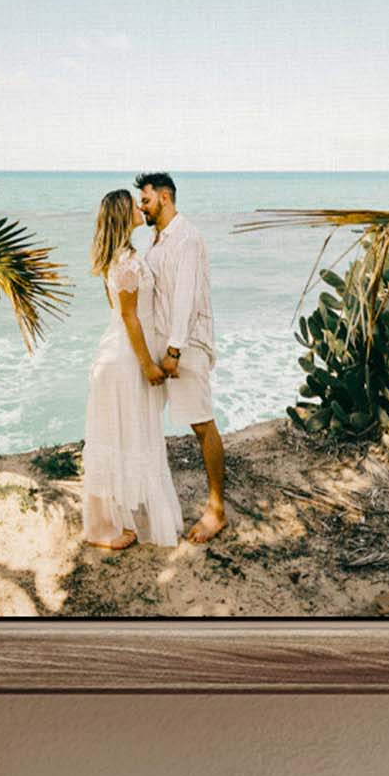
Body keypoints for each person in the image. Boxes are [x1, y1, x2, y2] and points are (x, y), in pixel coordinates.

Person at [79, 188, 183, 550]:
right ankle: (103, 529)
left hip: (120, 355)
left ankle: (114, 520)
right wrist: (148, 364)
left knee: (122, 437)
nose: (141, 208)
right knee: (114, 439)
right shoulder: (124, 262)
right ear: (124, 216)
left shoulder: (123, 257)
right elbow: (129, 317)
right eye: (134, 205)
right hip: (122, 361)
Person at [134, 171, 227, 544]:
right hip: (162, 348)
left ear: (165, 198)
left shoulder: (186, 238)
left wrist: (173, 352)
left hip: (185, 348)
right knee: (143, 420)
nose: (142, 207)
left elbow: (186, 299)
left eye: (146, 200)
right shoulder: (156, 243)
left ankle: (216, 509)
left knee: (202, 423)